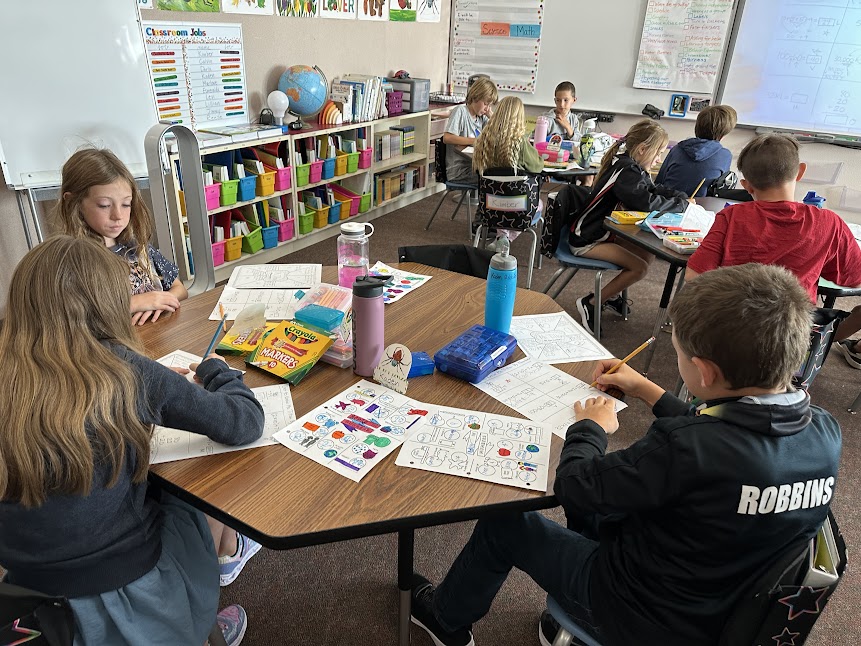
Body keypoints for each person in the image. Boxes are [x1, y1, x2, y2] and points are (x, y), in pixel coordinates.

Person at [409, 263, 842, 646]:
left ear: (704, 372)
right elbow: (737, 428)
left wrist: (590, 428)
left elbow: (577, 487)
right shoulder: (825, 431)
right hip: (724, 605)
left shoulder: (687, 448)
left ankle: (447, 619)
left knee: (504, 524)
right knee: (611, 505)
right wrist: (649, 391)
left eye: (680, 358)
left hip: (641, 615)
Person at [0, 236, 266, 645]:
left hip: (25, 594)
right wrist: (217, 371)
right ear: (109, 304)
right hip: (129, 591)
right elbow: (244, 422)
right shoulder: (124, 368)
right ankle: (196, 619)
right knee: (194, 489)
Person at [686, 133, 861, 367]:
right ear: (800, 171)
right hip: (789, 341)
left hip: (730, 332)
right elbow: (853, 276)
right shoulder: (829, 223)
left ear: (746, 185)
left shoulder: (732, 216)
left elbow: (694, 277)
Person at [569, 119, 691, 333]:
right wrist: (681, 205)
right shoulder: (627, 171)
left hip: (601, 232)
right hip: (587, 238)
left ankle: (611, 294)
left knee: (647, 252)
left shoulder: (631, 165)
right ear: (643, 149)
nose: (659, 159)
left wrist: (680, 197)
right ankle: (591, 303)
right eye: (658, 153)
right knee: (640, 267)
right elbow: (646, 202)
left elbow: (652, 190)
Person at [54, 148, 189, 326]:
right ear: (74, 202)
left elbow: (179, 288)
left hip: (156, 337)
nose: (118, 215)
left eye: (126, 204)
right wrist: (137, 302)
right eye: (104, 205)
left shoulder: (137, 247)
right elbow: (73, 318)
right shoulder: (69, 260)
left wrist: (161, 301)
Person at [472, 96, 544, 253]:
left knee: (502, 199)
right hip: (518, 210)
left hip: (489, 207)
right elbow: (537, 166)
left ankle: (502, 237)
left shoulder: (483, 140)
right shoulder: (520, 143)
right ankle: (505, 239)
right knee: (539, 204)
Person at [656, 104, 737, 198]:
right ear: (723, 134)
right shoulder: (725, 156)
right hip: (699, 208)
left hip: (666, 203)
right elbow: (720, 190)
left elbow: (659, 182)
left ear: (697, 126)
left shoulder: (677, 149)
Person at [442, 77, 498, 184]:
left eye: (490, 106)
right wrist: (475, 141)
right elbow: (447, 138)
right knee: (494, 180)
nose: (487, 108)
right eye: (486, 104)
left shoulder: (482, 117)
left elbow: (500, 130)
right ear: (476, 97)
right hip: (460, 170)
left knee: (499, 174)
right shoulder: (460, 111)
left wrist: (491, 115)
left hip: (475, 166)